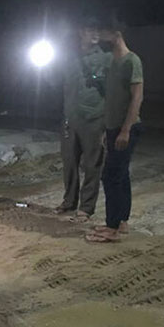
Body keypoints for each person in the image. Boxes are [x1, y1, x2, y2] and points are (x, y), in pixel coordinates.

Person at [86, 21, 144, 243]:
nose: (100, 37)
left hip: (126, 128)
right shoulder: (112, 62)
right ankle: (121, 222)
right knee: (121, 175)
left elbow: (137, 97)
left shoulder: (132, 61)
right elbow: (111, 99)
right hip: (113, 128)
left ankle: (112, 228)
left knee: (110, 176)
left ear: (116, 33)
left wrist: (125, 130)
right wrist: (106, 128)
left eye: (103, 32)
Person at [55, 18, 112, 223]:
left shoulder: (106, 59)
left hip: (94, 118)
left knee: (92, 165)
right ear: (81, 32)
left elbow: (112, 92)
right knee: (69, 162)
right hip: (70, 118)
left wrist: (107, 123)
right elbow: (59, 83)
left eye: (97, 30)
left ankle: (86, 208)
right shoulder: (69, 58)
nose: (95, 34)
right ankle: (69, 201)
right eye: (90, 30)